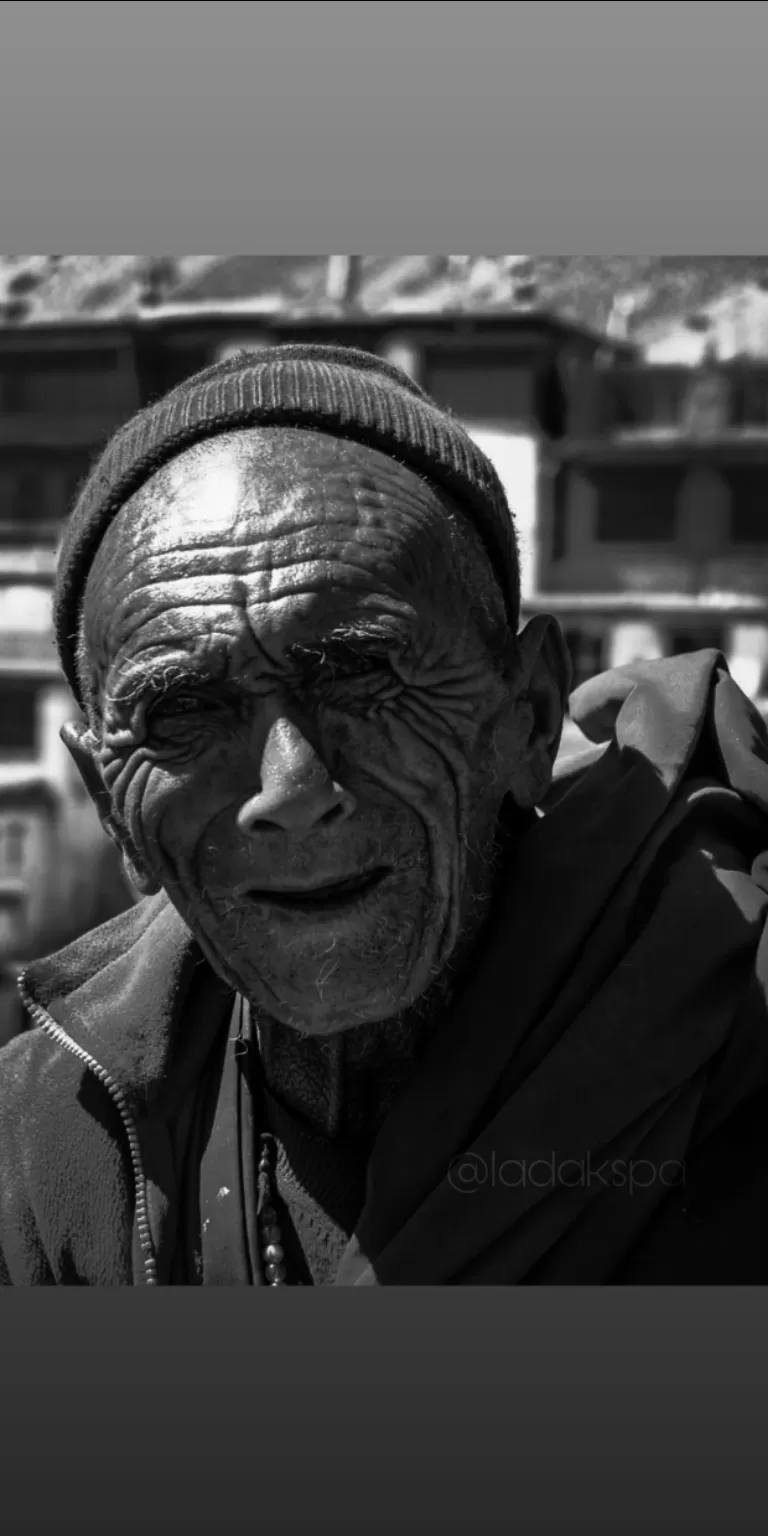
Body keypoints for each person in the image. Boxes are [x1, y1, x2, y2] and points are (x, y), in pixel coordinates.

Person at [2, 342, 768, 1286]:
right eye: (184, 713)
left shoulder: (736, 1034)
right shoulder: (50, 1145)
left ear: (525, 717)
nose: (290, 788)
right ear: (109, 807)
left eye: (363, 676)